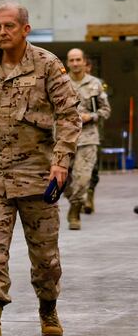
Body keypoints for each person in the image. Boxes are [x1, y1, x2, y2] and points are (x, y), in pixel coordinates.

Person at [0, 2, 80, 336]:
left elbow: (69, 115)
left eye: (9, 26)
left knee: (45, 257)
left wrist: (61, 161)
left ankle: (48, 308)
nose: (2, 32)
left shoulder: (47, 66)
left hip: (38, 175)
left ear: (25, 29)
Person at [62, 48, 110, 230]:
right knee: (62, 179)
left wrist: (91, 116)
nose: (75, 63)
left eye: (78, 60)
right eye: (72, 60)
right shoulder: (60, 83)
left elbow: (106, 110)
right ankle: (74, 200)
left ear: (84, 62)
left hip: (88, 137)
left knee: (83, 179)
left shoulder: (95, 84)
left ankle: (75, 210)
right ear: (67, 63)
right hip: (64, 138)